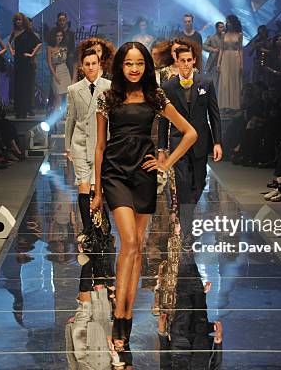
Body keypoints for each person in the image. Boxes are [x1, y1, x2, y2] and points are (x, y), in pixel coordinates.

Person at [90, 41, 197, 365]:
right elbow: (99, 147)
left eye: (139, 63)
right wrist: (96, 192)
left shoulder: (156, 97)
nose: (134, 68)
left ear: (146, 66)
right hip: (114, 174)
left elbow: (189, 133)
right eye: (128, 64)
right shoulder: (108, 97)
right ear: (120, 66)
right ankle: (120, 317)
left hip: (144, 175)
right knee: (131, 242)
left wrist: (165, 163)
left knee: (136, 251)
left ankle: (125, 316)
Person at [158, 44, 222, 247]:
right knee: (184, 184)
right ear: (176, 61)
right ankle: (187, 230)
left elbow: (214, 114)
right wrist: (161, 148)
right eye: (182, 60)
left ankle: (187, 210)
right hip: (178, 142)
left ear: (194, 60)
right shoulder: (168, 87)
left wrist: (217, 142)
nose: (185, 64)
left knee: (200, 182)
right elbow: (163, 120)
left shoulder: (206, 83)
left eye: (189, 60)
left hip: (201, 141)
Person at [65, 48, 111, 242]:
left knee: (99, 187)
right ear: (82, 67)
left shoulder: (110, 87)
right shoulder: (74, 90)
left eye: (94, 63)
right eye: (87, 64)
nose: (91, 67)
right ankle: (86, 229)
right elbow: (71, 118)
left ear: (100, 64)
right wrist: (68, 146)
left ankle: (102, 226)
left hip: (103, 143)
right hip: (81, 143)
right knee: (84, 186)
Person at [8, 13, 42, 118]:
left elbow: (39, 43)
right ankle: (18, 109)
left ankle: (25, 109)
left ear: (23, 21)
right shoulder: (14, 32)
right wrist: (12, 51)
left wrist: (32, 54)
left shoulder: (28, 32)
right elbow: (8, 43)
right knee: (17, 85)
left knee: (25, 86)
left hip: (26, 62)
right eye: (17, 20)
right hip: (17, 61)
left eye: (20, 20)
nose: (18, 22)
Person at [217, 15, 243, 110]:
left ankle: (234, 105)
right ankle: (224, 105)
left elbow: (240, 49)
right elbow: (221, 49)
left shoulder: (239, 34)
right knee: (224, 81)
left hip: (235, 57)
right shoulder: (224, 34)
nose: (227, 24)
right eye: (227, 22)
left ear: (234, 23)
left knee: (233, 80)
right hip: (225, 58)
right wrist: (218, 63)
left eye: (229, 22)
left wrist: (241, 63)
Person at [46, 29, 71, 114]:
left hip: (65, 71)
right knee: (58, 97)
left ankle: (65, 116)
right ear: (54, 37)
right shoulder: (50, 48)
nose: (59, 38)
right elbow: (49, 63)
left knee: (67, 96)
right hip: (56, 71)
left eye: (61, 36)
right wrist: (54, 75)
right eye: (57, 36)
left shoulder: (65, 47)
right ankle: (54, 118)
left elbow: (66, 60)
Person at [203, 21, 224, 92]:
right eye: (221, 27)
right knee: (213, 83)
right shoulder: (211, 38)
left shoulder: (226, 39)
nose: (222, 28)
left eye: (223, 27)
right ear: (217, 28)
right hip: (213, 64)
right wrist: (213, 49)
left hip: (224, 63)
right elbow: (204, 46)